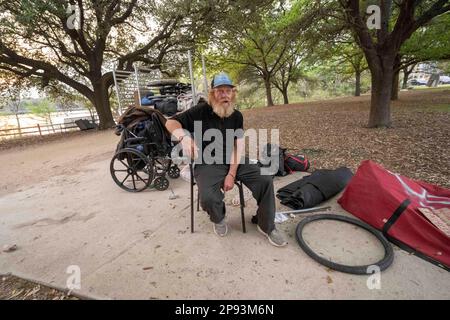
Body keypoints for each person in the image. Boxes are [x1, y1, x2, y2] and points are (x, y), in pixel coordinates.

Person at [165, 72, 287, 247]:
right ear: (213, 94)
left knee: (265, 179)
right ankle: (219, 218)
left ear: (233, 94)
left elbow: (238, 146)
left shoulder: (237, 116)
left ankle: (266, 225)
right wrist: (183, 137)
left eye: (228, 91)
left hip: (233, 159)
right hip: (207, 161)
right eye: (219, 91)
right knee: (207, 198)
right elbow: (170, 122)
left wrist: (231, 173)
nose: (224, 95)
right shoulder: (200, 111)